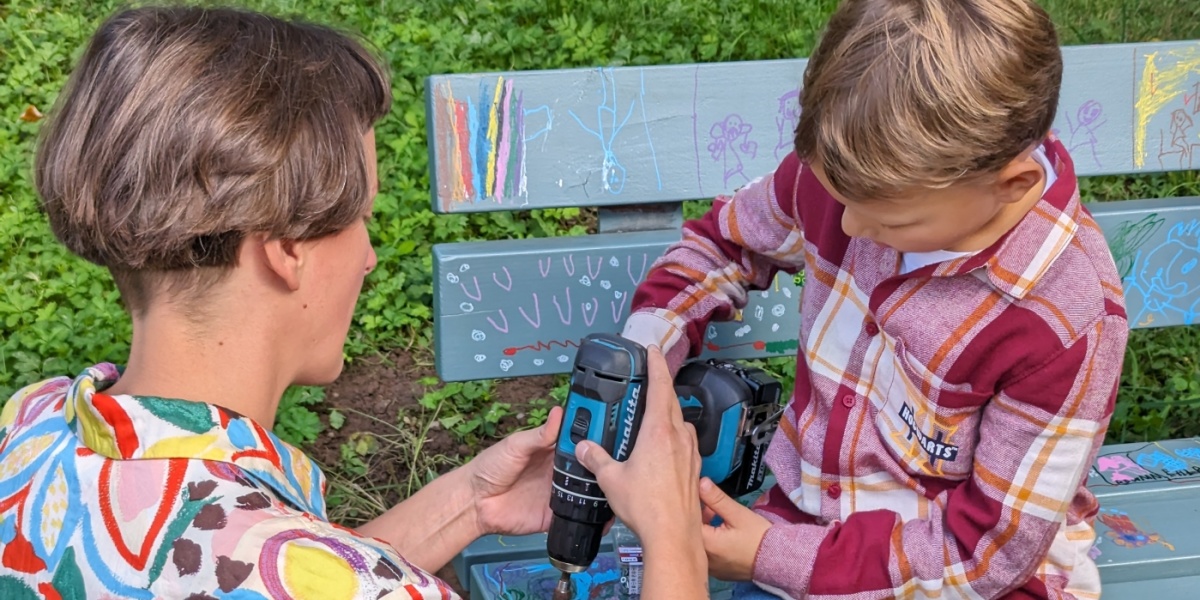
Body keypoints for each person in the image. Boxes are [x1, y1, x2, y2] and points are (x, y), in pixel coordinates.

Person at [0, 6, 705, 599]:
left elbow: (269, 569)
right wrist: (674, 541)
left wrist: (473, 500)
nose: (369, 256)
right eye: (360, 215)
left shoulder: (32, 430)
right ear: (286, 246)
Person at [620, 1, 1128, 598]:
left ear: (1011, 183)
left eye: (894, 222)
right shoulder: (854, 175)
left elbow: (986, 553)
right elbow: (722, 244)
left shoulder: (1063, 323)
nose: (851, 228)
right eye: (839, 199)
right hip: (797, 529)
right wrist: (646, 359)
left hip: (957, 578)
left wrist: (769, 556)